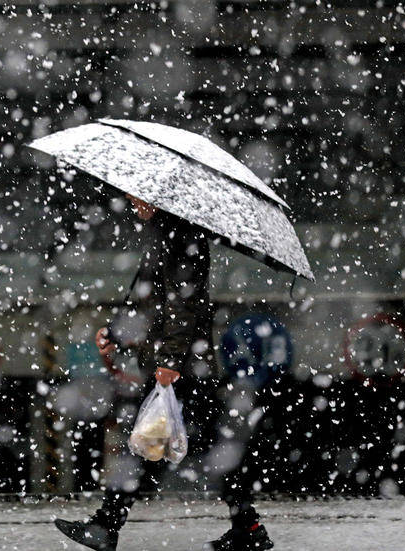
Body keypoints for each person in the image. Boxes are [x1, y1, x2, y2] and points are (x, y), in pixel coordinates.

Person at [53, 195, 273, 551]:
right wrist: (115, 332)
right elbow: (148, 299)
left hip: (180, 367)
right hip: (180, 364)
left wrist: (170, 361)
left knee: (153, 445)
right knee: (174, 445)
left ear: (159, 195)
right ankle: (248, 528)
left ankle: (107, 526)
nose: (129, 199)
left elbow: (185, 303)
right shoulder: (164, 231)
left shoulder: (181, 234)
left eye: (136, 194)